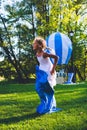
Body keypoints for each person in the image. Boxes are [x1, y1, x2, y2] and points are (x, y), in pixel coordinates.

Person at [33, 36, 61, 114]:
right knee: (39, 88)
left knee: (48, 88)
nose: (33, 45)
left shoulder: (44, 54)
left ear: (39, 45)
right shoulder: (37, 53)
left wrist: (53, 69)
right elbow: (42, 62)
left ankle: (50, 105)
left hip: (48, 71)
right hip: (42, 71)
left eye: (34, 43)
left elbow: (56, 57)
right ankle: (45, 102)